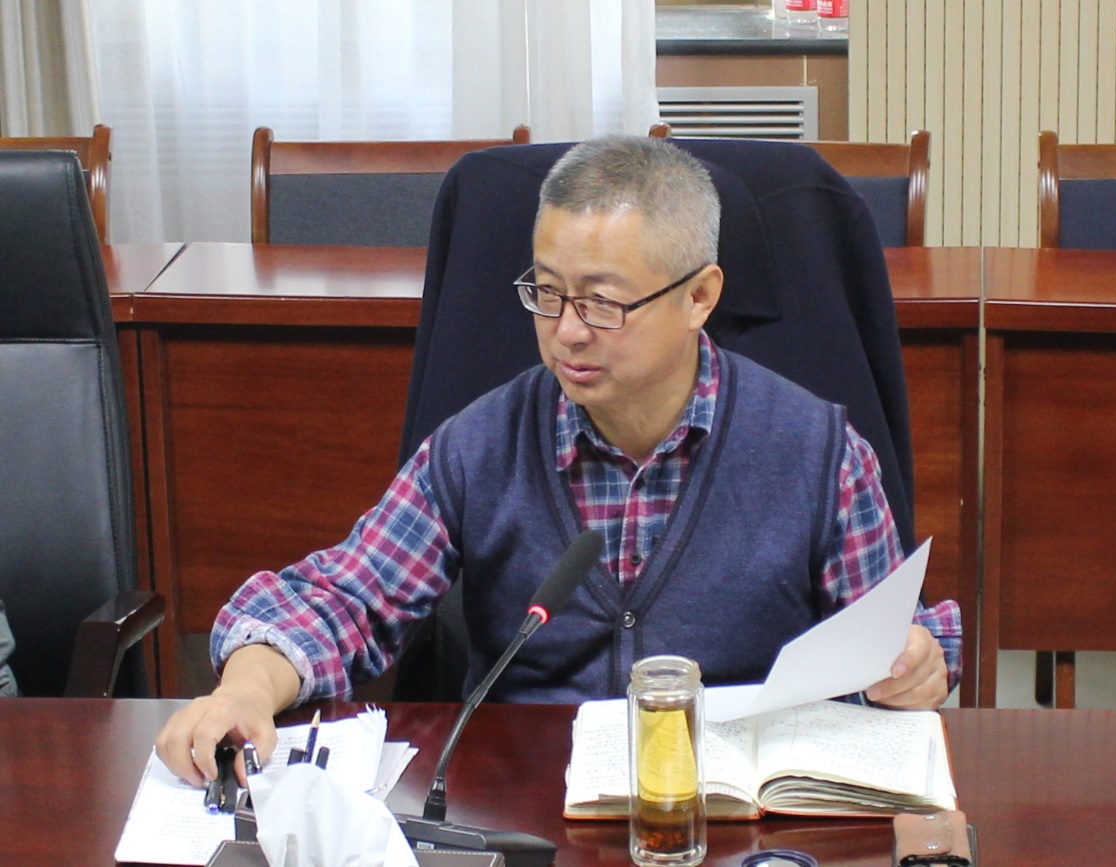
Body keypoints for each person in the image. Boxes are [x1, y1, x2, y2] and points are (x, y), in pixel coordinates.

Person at [156, 135, 962, 788]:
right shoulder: (482, 444)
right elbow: (342, 597)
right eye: (546, 292)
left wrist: (916, 663)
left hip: (735, 814)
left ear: (699, 296)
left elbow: (891, 640)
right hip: (531, 807)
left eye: (602, 302)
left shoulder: (818, 453)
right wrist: (245, 688)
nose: (567, 331)